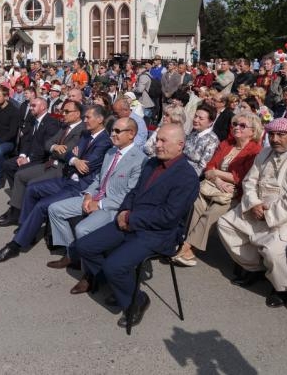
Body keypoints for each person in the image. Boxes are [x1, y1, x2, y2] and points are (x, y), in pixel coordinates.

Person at [74, 124, 199, 328]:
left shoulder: (187, 177)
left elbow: (168, 216)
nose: (157, 144)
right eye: (157, 139)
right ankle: (123, 288)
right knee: (84, 246)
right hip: (130, 221)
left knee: (114, 266)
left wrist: (131, 219)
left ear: (180, 145)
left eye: (163, 141)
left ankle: (136, 301)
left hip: (158, 234)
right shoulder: (151, 164)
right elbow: (133, 193)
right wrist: (124, 212)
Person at [217, 117, 287, 308]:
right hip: (258, 208)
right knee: (225, 224)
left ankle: (282, 289)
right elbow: (249, 181)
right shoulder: (265, 153)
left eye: (281, 135)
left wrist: (267, 215)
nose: (275, 139)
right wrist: (253, 204)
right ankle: (255, 268)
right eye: (272, 135)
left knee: (274, 249)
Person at [0, 105, 112, 263]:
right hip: (67, 178)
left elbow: (88, 166)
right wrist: (74, 159)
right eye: (85, 117)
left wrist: (74, 157)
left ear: (100, 120)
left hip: (80, 186)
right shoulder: (86, 134)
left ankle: (15, 245)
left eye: (88, 117)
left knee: (42, 205)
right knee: (32, 188)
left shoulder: (104, 141)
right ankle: (27, 230)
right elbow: (68, 153)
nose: (85, 120)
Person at [46, 118, 147, 270]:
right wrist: (88, 194)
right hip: (95, 197)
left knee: (82, 229)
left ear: (131, 134)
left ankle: (89, 274)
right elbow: (99, 178)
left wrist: (98, 204)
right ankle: (72, 254)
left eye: (117, 131)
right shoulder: (111, 152)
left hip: (113, 207)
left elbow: (129, 195)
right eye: (112, 130)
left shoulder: (139, 160)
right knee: (54, 209)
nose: (112, 134)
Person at [172, 111, 263, 267]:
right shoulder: (226, 144)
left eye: (242, 125)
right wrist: (218, 178)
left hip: (234, 192)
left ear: (253, 131)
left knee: (212, 213)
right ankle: (186, 246)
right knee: (196, 204)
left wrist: (217, 173)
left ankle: (186, 247)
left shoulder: (255, 151)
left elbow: (242, 178)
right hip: (214, 185)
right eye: (235, 124)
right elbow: (209, 167)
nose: (236, 128)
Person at [0, 99, 86, 226]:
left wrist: (54, 149)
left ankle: (26, 223)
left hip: (61, 169)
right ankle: (15, 212)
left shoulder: (81, 130)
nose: (63, 114)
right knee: (20, 175)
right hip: (50, 163)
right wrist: (55, 147)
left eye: (67, 111)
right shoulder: (66, 127)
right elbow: (47, 144)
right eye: (62, 111)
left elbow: (65, 153)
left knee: (32, 183)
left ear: (77, 114)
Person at [184, 103, 220, 176]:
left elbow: (203, 167)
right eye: (196, 116)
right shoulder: (194, 133)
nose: (196, 120)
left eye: (201, 118)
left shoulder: (212, 140)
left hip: (189, 175)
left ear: (210, 122)